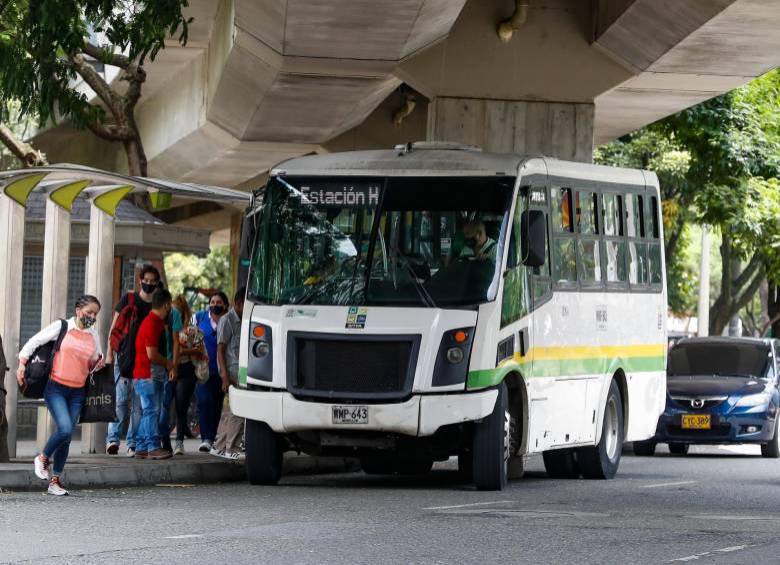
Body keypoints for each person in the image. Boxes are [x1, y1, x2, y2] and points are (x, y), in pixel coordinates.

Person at [17, 295, 104, 495]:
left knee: (66, 437)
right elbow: (35, 341)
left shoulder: (93, 335)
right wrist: (22, 364)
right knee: (65, 429)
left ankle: (55, 481)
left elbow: (95, 358)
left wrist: (97, 364)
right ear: (78, 310)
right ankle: (43, 457)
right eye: (89, 312)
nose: (91, 316)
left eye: (95, 314)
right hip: (56, 387)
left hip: (78, 391)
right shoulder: (63, 327)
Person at [105, 265, 161, 456]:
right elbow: (114, 329)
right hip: (124, 358)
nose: (149, 284)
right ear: (140, 281)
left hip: (146, 363)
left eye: (153, 282)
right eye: (146, 281)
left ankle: (133, 443)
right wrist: (109, 354)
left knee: (139, 406)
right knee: (120, 401)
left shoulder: (156, 306)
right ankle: (112, 440)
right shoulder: (128, 299)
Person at [133, 288, 174, 460]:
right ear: (166, 305)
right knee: (151, 411)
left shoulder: (153, 322)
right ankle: (152, 447)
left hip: (147, 375)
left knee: (149, 410)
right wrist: (168, 362)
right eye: (170, 305)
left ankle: (142, 447)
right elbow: (152, 354)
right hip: (147, 375)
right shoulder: (153, 323)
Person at [211, 288, 245, 459]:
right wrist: (224, 375)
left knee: (232, 409)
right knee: (237, 411)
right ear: (238, 303)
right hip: (232, 369)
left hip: (243, 370)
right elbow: (220, 349)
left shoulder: (245, 319)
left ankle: (219, 446)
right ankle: (232, 448)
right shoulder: (227, 320)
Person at [195, 291, 228, 453]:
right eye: (213, 302)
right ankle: (206, 439)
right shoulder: (200, 319)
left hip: (222, 373)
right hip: (203, 372)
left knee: (217, 406)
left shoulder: (228, 322)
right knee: (204, 402)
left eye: (219, 302)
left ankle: (213, 437)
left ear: (225, 305)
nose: (215, 304)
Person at [171, 295, 205, 455]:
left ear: (183, 312)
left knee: (181, 407)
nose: (173, 314)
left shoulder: (192, 330)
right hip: (168, 369)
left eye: (176, 310)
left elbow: (199, 350)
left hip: (186, 370)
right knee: (164, 406)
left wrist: (181, 350)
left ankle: (179, 442)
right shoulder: (166, 328)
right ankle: (163, 441)